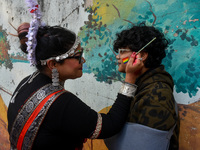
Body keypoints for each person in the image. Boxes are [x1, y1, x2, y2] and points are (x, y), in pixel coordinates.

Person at [7, 21, 144, 150]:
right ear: (53, 64)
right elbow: (110, 125)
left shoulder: (27, 82)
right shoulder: (60, 102)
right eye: (78, 56)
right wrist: (130, 79)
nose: (82, 60)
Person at [104, 24, 180, 150]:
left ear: (141, 56)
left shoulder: (156, 95)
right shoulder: (142, 86)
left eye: (122, 52)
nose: (118, 56)